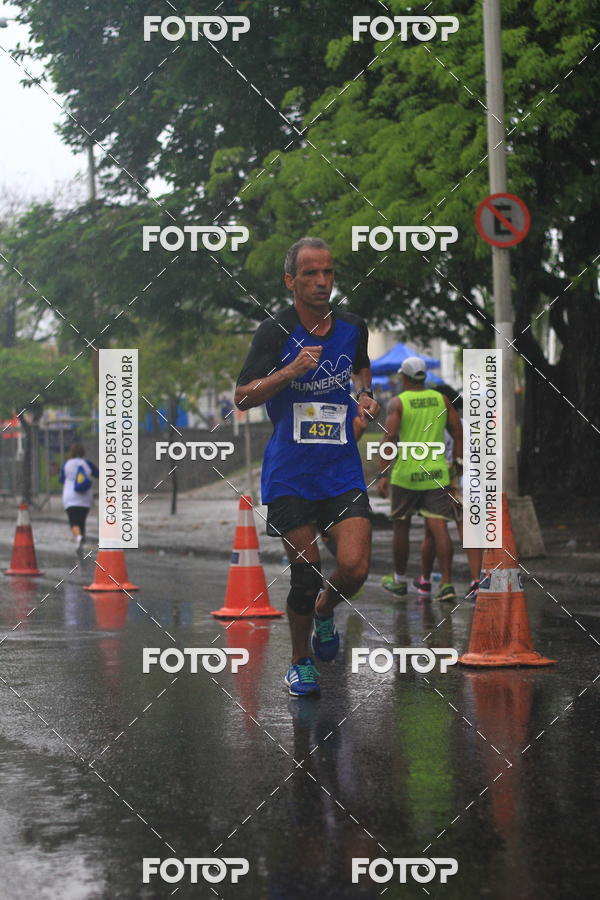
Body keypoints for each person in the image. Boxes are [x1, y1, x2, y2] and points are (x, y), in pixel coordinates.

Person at [234, 236, 380, 698]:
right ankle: (299, 662)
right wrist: (289, 372)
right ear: (290, 281)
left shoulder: (353, 326)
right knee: (306, 572)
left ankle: (323, 611)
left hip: (340, 468)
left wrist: (365, 399)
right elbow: (242, 396)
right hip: (290, 474)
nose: (322, 282)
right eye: (311, 274)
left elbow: (361, 370)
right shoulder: (275, 332)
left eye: (329, 272)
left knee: (355, 569)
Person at [376, 357, 462, 602]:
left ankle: (399, 581)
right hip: (436, 473)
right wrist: (457, 466)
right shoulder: (441, 399)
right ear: (423, 377)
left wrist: (383, 474)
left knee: (401, 528)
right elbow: (458, 433)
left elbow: (390, 437)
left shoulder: (398, 402)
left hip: (406, 476)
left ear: (404, 377)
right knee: (439, 528)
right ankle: (446, 583)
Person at [419, 386, 483, 601]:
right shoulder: (467, 426)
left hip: (443, 482)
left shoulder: (432, 428)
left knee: (433, 532)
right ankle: (476, 581)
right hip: (469, 481)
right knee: (468, 530)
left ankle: (430, 581)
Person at [59, 443, 99, 556]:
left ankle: (79, 537)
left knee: (73, 521)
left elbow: (61, 480)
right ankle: (81, 542)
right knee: (81, 521)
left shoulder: (66, 465)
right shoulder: (87, 463)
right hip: (85, 497)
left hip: (70, 497)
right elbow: (98, 474)